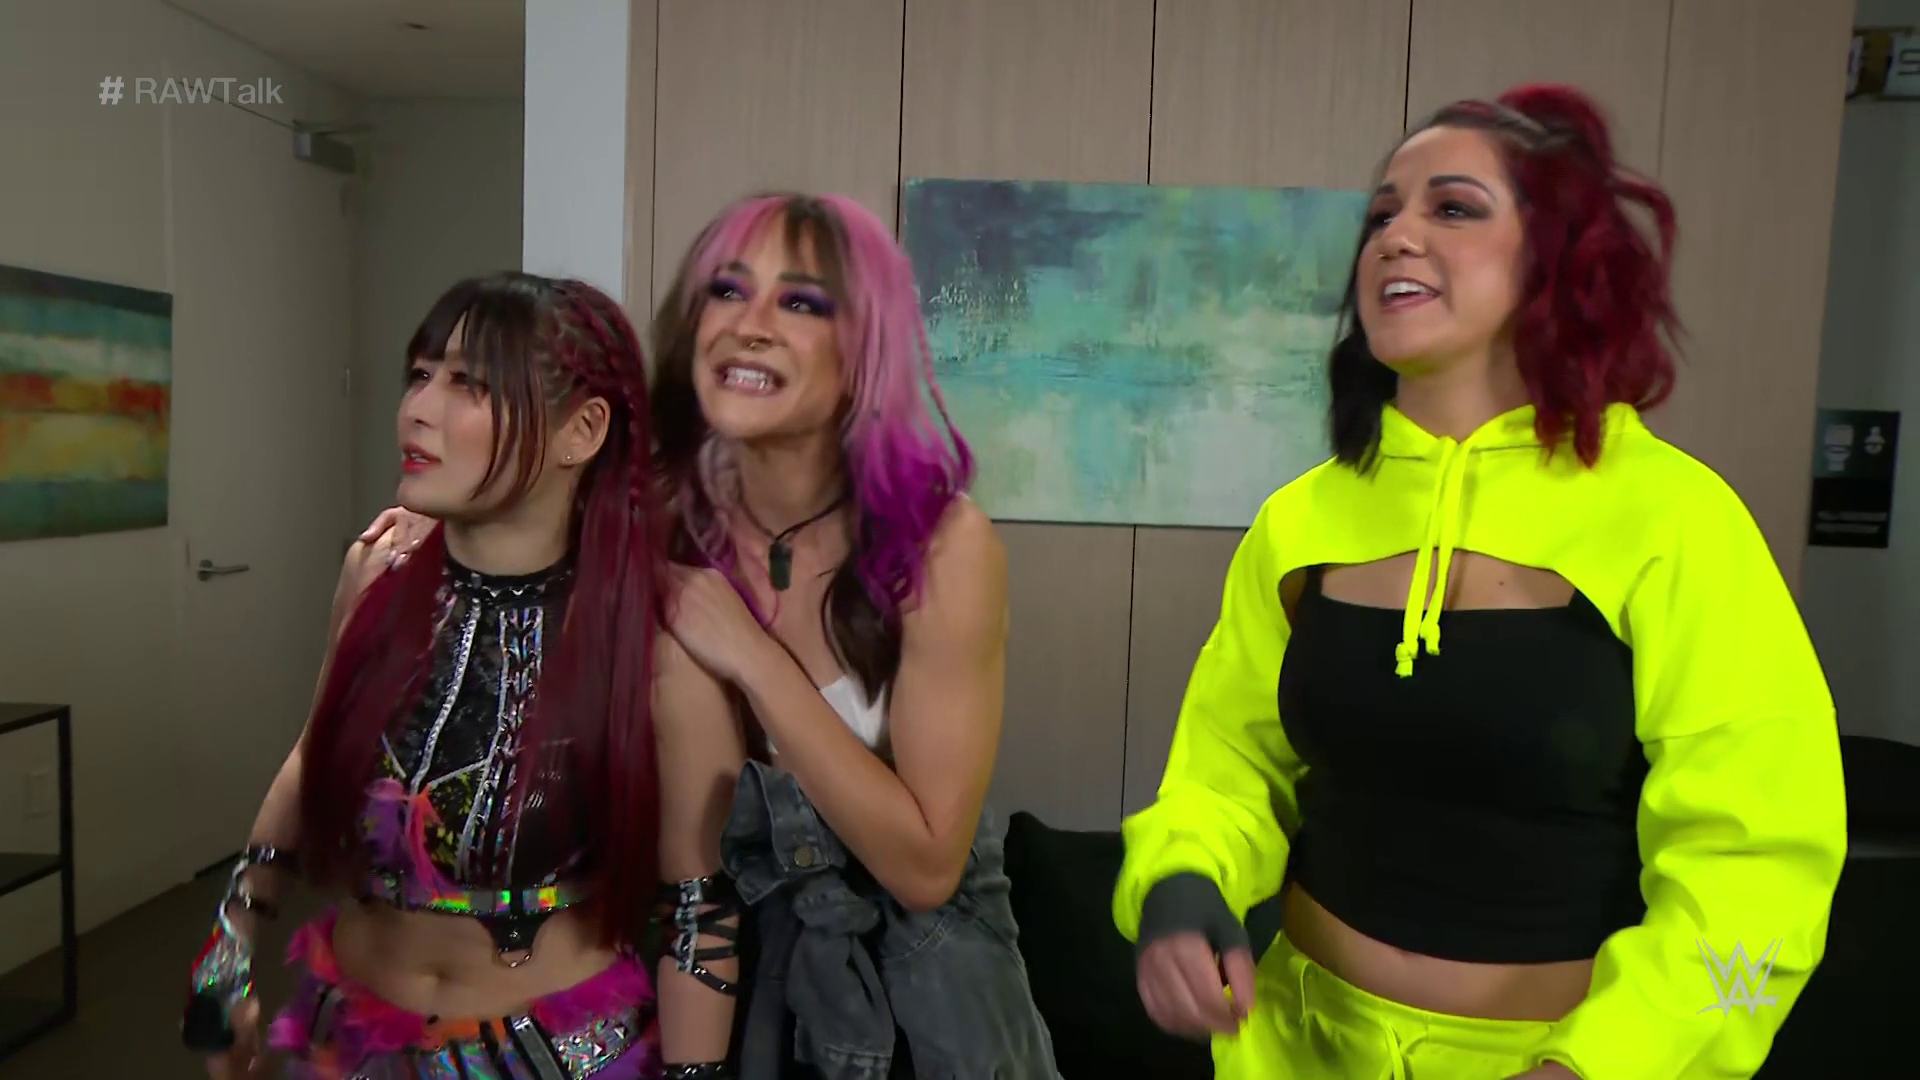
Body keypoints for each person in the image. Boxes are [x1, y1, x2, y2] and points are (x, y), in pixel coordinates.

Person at [1114, 83, 1847, 1080]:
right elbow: (1226, 767)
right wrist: (1179, 882)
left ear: (1557, 260)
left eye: (1452, 207)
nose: (1396, 236)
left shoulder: (1679, 521)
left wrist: (1600, 1066)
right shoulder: (1299, 522)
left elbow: (1758, 869)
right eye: (1382, 214)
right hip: (1286, 1047)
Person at [355, 192, 1060, 1079]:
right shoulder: (653, 514)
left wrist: (753, 657)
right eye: (727, 291)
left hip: (923, 990)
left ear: (865, 350)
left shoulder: (942, 545)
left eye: (799, 302)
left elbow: (926, 867)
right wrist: (438, 531)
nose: (749, 326)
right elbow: (516, 506)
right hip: (724, 971)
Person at [181, 272, 671, 1080]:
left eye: (470, 384)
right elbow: (310, 757)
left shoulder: (641, 621)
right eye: (419, 374)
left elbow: (699, 896)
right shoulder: (377, 574)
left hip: (558, 1054)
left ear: (581, 430)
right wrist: (226, 955)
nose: (417, 408)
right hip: (349, 1037)